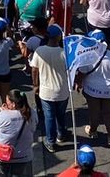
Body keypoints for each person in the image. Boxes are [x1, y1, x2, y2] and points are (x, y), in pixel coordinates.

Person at [74, 29, 110, 146]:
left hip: (91, 91)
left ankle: (93, 131)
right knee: (108, 113)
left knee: (94, 112)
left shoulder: (88, 56)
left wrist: (78, 83)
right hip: (109, 91)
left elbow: (81, 73)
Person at [30, 23, 71, 152]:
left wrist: (35, 85)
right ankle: (61, 134)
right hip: (62, 90)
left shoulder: (40, 51)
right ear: (59, 37)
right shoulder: (65, 53)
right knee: (60, 114)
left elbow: (34, 70)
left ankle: (51, 141)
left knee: (49, 117)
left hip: (46, 92)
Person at [0, 90, 37, 177]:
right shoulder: (32, 113)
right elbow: (33, 129)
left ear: (13, 104)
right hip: (24, 156)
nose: (6, 104)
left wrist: (4, 113)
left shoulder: (2, 116)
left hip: (4, 155)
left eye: (7, 102)